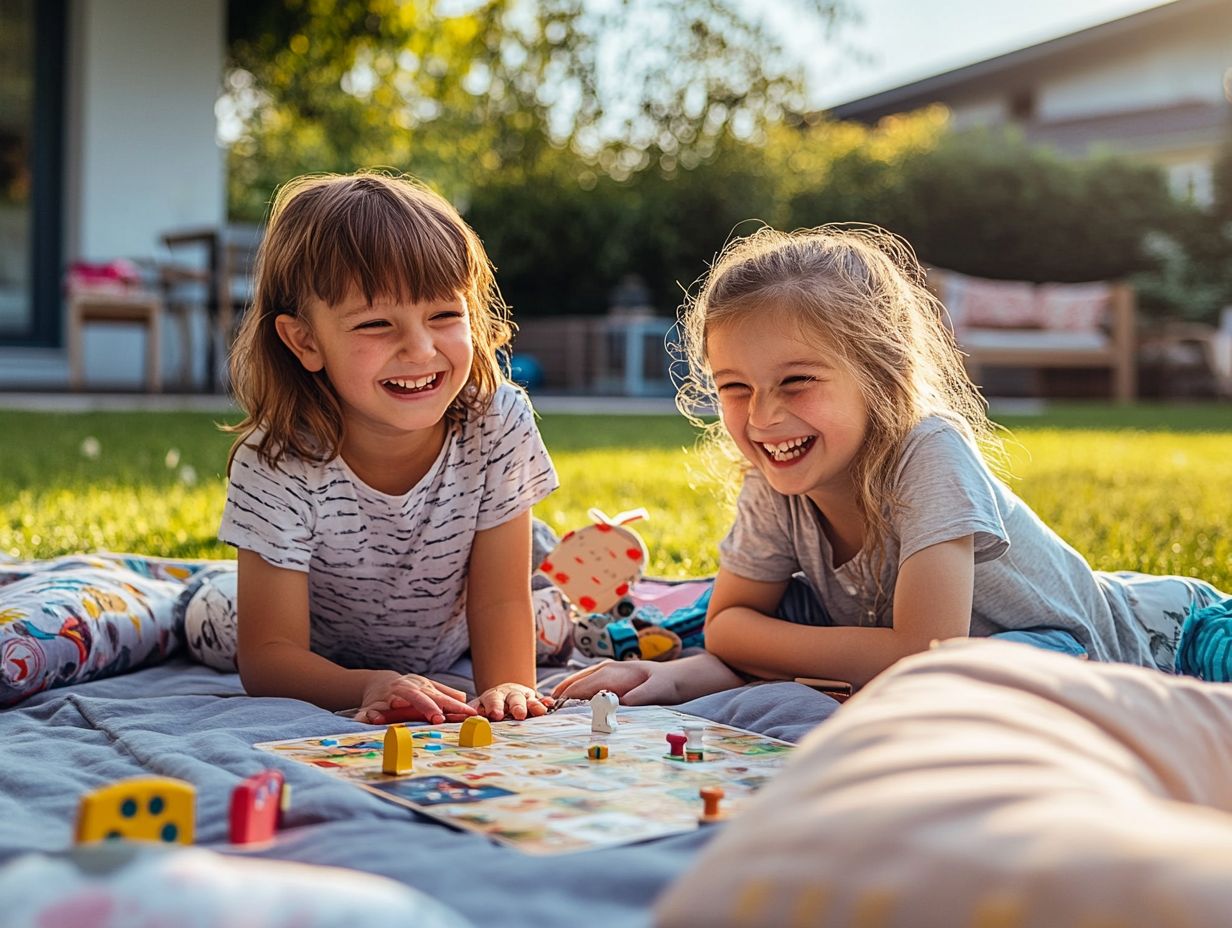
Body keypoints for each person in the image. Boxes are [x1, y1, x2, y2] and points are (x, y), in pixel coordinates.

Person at [555, 225, 1226, 705]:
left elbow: (921, 653)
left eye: (796, 382)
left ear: (885, 378)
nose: (761, 418)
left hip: (1169, 638)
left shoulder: (928, 450)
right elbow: (729, 626)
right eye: (735, 387)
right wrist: (682, 676)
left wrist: (766, 645)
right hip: (1005, 657)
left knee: (967, 684)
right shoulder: (774, 477)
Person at [219, 172, 558, 725]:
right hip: (324, 658)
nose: (421, 350)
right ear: (304, 341)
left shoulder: (499, 420)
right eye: (377, 323)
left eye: (445, 315)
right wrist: (372, 685)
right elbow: (266, 660)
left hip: (449, 642)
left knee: (555, 624)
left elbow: (498, 603)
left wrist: (507, 692)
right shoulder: (275, 461)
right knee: (207, 626)